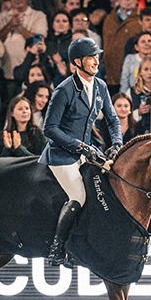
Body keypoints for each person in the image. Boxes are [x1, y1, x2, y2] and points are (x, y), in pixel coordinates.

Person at [39, 37, 123, 266]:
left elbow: (113, 120)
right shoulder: (64, 90)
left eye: (96, 57)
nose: (96, 61)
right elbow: (50, 128)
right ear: (78, 62)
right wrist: (78, 146)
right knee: (79, 196)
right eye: (90, 58)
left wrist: (117, 143)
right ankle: (57, 249)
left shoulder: (100, 86)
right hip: (61, 155)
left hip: (86, 151)